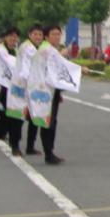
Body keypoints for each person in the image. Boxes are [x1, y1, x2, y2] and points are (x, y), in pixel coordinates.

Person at [6, 25, 43, 156]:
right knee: (18, 118)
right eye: (35, 34)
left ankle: (30, 146)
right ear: (29, 34)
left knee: (34, 117)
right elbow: (26, 71)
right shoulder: (28, 48)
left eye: (40, 34)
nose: (38, 37)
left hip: (29, 88)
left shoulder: (31, 47)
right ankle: (15, 146)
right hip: (22, 88)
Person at [37, 25, 67, 165]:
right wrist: (80, 69)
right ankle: (48, 154)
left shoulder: (50, 50)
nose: (57, 36)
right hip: (45, 92)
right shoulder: (48, 50)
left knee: (51, 121)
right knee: (48, 122)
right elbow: (63, 65)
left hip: (51, 91)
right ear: (47, 37)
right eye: (54, 34)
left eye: (58, 34)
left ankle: (49, 152)